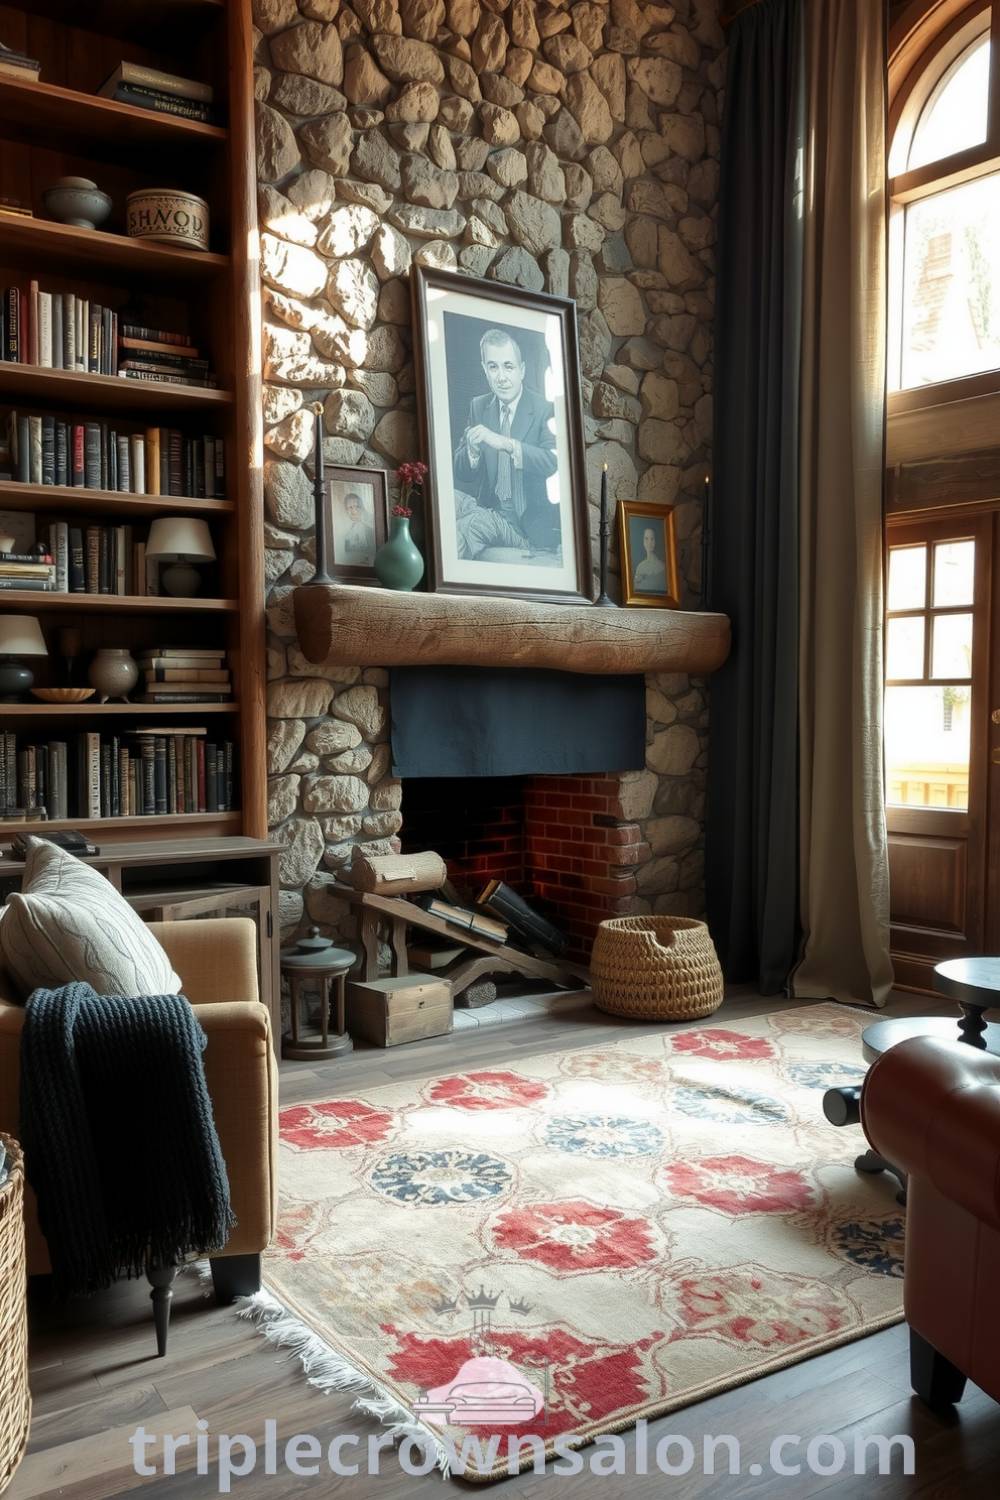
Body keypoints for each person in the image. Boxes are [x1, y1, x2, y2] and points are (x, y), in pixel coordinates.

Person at [452, 328, 560, 559]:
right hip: (488, 507)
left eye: (508, 366)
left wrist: (507, 444)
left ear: (521, 370)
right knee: (445, 502)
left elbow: (553, 460)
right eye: (493, 367)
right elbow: (462, 471)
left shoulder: (544, 408)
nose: (501, 377)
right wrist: (471, 450)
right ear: (485, 370)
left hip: (523, 526)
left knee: (467, 527)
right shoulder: (479, 406)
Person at [339, 490, 375, 563]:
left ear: (362, 508)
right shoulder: (344, 532)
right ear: (346, 510)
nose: (354, 511)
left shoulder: (370, 530)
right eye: (350, 507)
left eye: (356, 507)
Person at [633, 525, 667, 592]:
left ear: (655, 541)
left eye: (652, 539)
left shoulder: (662, 566)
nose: (649, 542)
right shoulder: (640, 567)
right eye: (646, 539)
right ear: (643, 542)